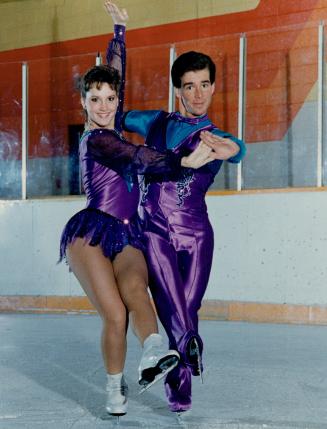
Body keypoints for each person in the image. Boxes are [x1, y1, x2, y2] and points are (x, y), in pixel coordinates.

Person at [59, 1, 216, 418]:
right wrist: (181, 162)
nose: (106, 105)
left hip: (128, 231)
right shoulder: (98, 141)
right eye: (96, 99)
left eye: (111, 98)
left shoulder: (111, 115)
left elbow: (115, 73)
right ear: (84, 104)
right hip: (91, 232)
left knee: (136, 291)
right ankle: (114, 386)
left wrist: (119, 34)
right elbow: (137, 158)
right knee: (114, 314)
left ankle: (152, 352)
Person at [121, 50, 247, 413]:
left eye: (205, 85)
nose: (198, 94)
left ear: (213, 87)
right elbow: (115, 115)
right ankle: (190, 350)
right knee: (176, 312)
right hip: (155, 232)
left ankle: (179, 396)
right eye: (189, 86)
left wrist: (235, 149)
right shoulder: (155, 122)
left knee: (187, 310)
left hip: (198, 238)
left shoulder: (215, 137)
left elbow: (236, 149)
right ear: (178, 90)